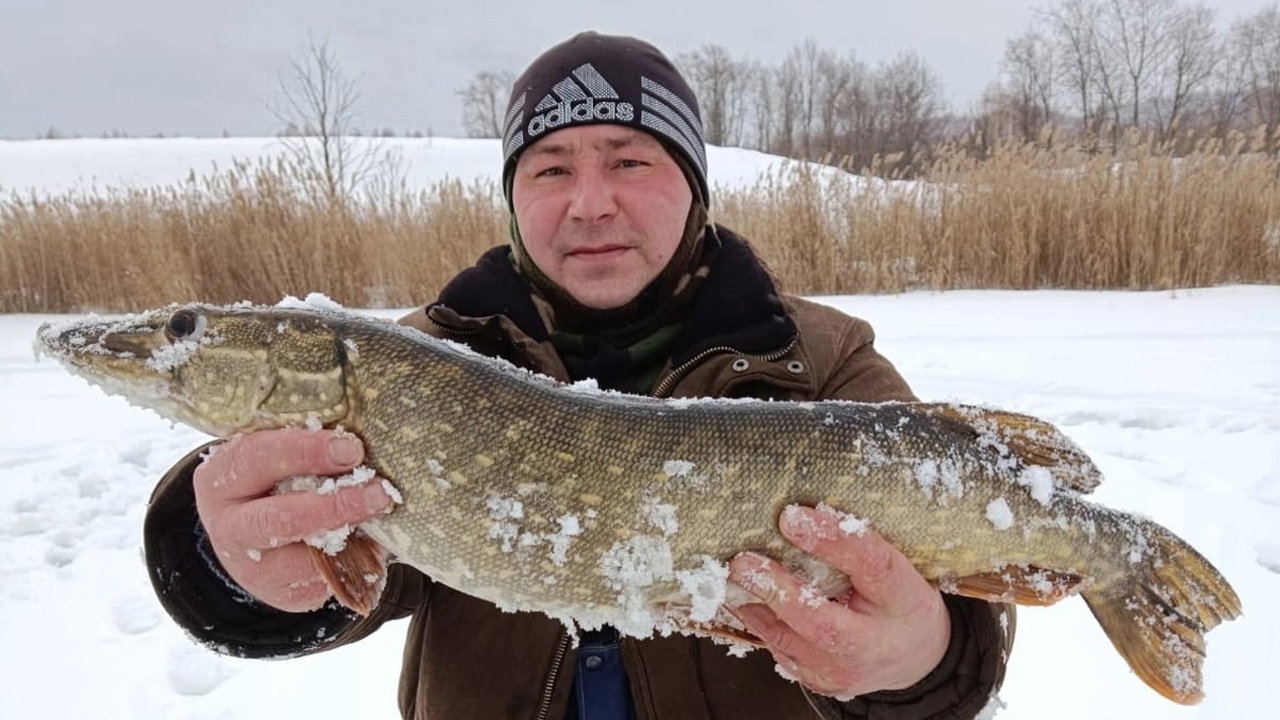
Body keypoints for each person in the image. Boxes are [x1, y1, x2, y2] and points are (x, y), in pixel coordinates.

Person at [143, 31, 1013, 720]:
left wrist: (921, 653)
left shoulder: (822, 363)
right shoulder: (417, 364)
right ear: (516, 199)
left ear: (693, 185)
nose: (589, 201)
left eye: (629, 160)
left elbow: (974, 579)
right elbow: (356, 577)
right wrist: (231, 563)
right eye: (550, 168)